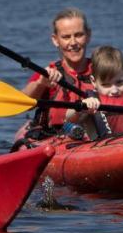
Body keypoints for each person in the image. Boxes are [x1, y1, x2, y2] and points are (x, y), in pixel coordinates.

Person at [21, 7, 98, 136]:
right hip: (57, 138)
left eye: (78, 35)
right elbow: (23, 104)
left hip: (98, 137)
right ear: (55, 40)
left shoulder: (102, 70)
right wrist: (40, 84)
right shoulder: (48, 74)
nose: (73, 42)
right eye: (66, 37)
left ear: (88, 36)